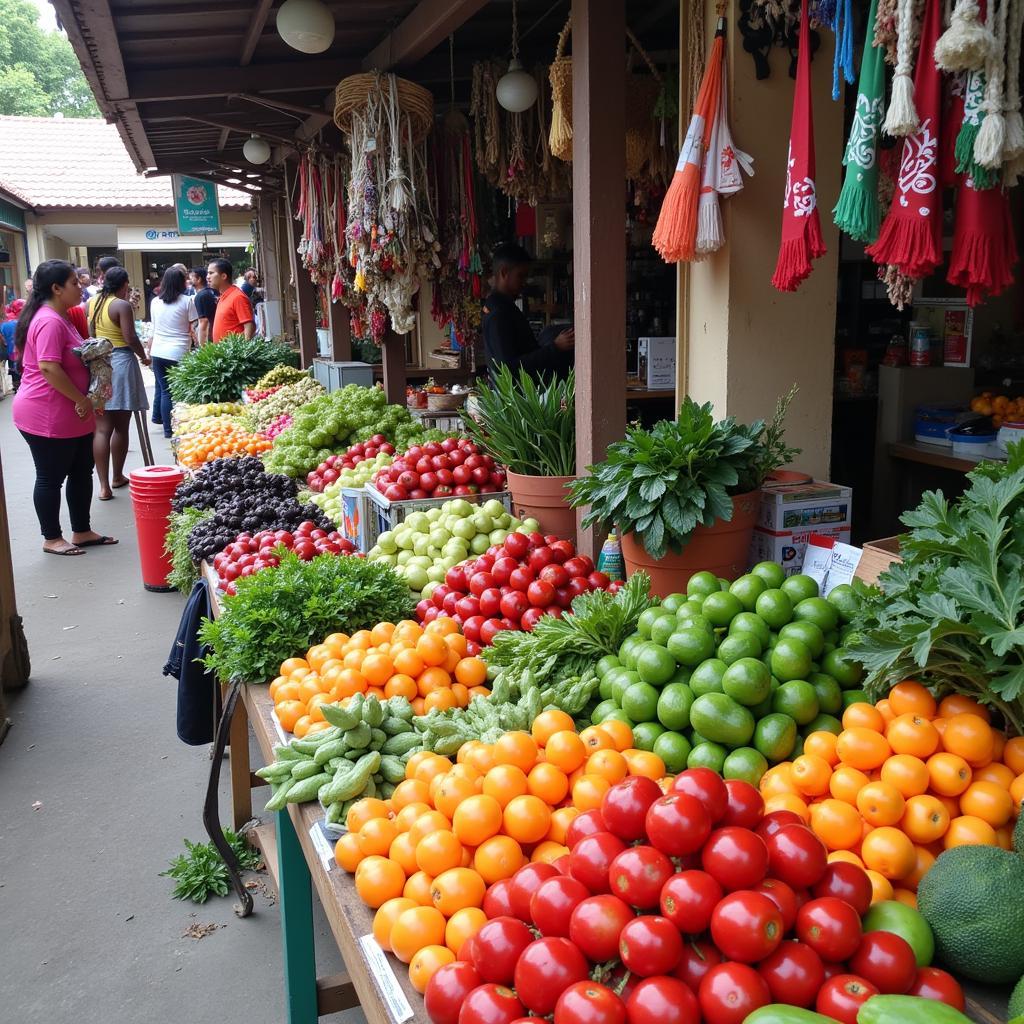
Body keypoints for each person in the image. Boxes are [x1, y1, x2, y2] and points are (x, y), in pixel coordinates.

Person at [11, 260, 117, 555]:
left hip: (72, 415)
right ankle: (52, 538)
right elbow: (47, 367)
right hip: (46, 413)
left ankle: (81, 530)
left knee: (82, 471)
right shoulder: (48, 320)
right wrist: (80, 399)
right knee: (50, 476)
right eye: (74, 283)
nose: (80, 287)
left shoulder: (62, 317)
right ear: (57, 289)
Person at [87, 267, 150, 501]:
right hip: (121, 362)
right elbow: (130, 337)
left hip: (99, 364)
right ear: (124, 284)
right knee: (121, 426)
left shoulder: (92, 303)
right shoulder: (121, 305)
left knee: (102, 428)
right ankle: (117, 476)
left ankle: (103, 486)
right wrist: (144, 356)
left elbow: (90, 333)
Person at [482, 243, 574, 380]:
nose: (524, 282)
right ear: (504, 273)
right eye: (521, 276)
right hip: (520, 398)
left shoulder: (504, 306)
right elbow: (509, 369)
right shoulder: (498, 313)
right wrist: (555, 347)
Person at [147, 266, 196, 439]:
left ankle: (166, 428)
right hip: (178, 352)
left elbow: (153, 328)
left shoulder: (155, 302)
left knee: (163, 389)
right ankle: (177, 427)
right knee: (177, 391)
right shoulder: (187, 301)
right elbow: (193, 326)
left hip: (158, 351)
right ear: (181, 282)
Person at [208, 258, 254, 341]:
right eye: (208, 273)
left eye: (211, 273)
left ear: (224, 276)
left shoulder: (238, 297)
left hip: (235, 353)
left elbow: (249, 326)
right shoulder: (223, 296)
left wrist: (244, 352)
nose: (207, 277)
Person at [190, 268, 217, 345]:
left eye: (192, 277)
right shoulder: (210, 292)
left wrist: (202, 346)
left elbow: (204, 322)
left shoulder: (201, 296)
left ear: (199, 279)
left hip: (210, 337)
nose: (190, 279)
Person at [2, 298, 24, 391]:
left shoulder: (4, 323)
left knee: (13, 369)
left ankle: (17, 387)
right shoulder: (19, 322)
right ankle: (20, 386)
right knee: (20, 368)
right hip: (19, 351)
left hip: (10, 351)